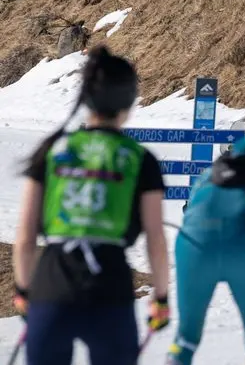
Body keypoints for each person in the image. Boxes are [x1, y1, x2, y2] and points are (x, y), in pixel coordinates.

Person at [12, 46, 170, 365]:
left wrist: (23, 290)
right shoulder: (139, 158)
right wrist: (161, 297)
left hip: (52, 284)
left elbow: (26, 235)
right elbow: (155, 239)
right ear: (129, 101)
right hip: (110, 285)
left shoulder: (53, 150)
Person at [168, 132, 245, 365]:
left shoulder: (206, 175)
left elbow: (191, 210)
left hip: (193, 247)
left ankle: (178, 355)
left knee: (186, 336)